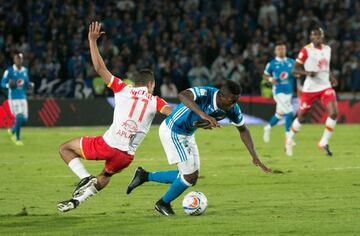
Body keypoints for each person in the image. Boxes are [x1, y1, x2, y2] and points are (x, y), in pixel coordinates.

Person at [57, 22, 172, 212]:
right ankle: (76, 201)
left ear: (136, 83)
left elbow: (99, 68)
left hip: (108, 145)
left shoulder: (122, 88)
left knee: (65, 149)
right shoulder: (156, 101)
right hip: (126, 157)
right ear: (150, 84)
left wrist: (92, 41)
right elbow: (173, 114)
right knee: (105, 175)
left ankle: (84, 177)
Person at [127, 81, 272, 216]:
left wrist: (254, 156)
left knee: (192, 176)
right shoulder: (205, 93)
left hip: (187, 134)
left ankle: (144, 176)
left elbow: (243, 130)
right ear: (221, 96)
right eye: (231, 101)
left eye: (236, 101)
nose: (234, 105)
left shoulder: (232, 109)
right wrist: (203, 115)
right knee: (189, 176)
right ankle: (162, 203)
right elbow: (183, 95)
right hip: (173, 130)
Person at [286, 27, 338, 157]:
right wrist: (307, 72)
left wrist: (331, 77)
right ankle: (289, 138)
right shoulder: (306, 50)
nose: (317, 37)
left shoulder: (328, 49)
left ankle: (324, 142)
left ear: (323, 36)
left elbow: (325, 67)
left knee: (334, 113)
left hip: (325, 86)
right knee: (301, 117)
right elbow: (294, 70)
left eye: (319, 35)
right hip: (310, 88)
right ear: (311, 37)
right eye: (315, 36)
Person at [263, 43, 296, 144]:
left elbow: (297, 73)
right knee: (290, 112)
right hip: (278, 92)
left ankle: (267, 128)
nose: (281, 51)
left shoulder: (291, 62)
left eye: (283, 49)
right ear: (275, 51)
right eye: (279, 49)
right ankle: (288, 137)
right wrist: (271, 78)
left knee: (279, 114)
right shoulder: (272, 64)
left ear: (285, 50)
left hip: (289, 92)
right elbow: (265, 75)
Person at [1, 52, 32, 146]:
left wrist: (29, 85)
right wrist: (8, 85)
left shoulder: (25, 70)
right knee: (18, 116)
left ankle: (13, 130)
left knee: (25, 119)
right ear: (14, 60)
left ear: (22, 60)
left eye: (20, 58)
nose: (18, 60)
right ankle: (17, 138)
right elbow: (2, 83)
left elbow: (26, 82)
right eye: (17, 58)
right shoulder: (9, 71)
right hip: (13, 98)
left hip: (23, 97)